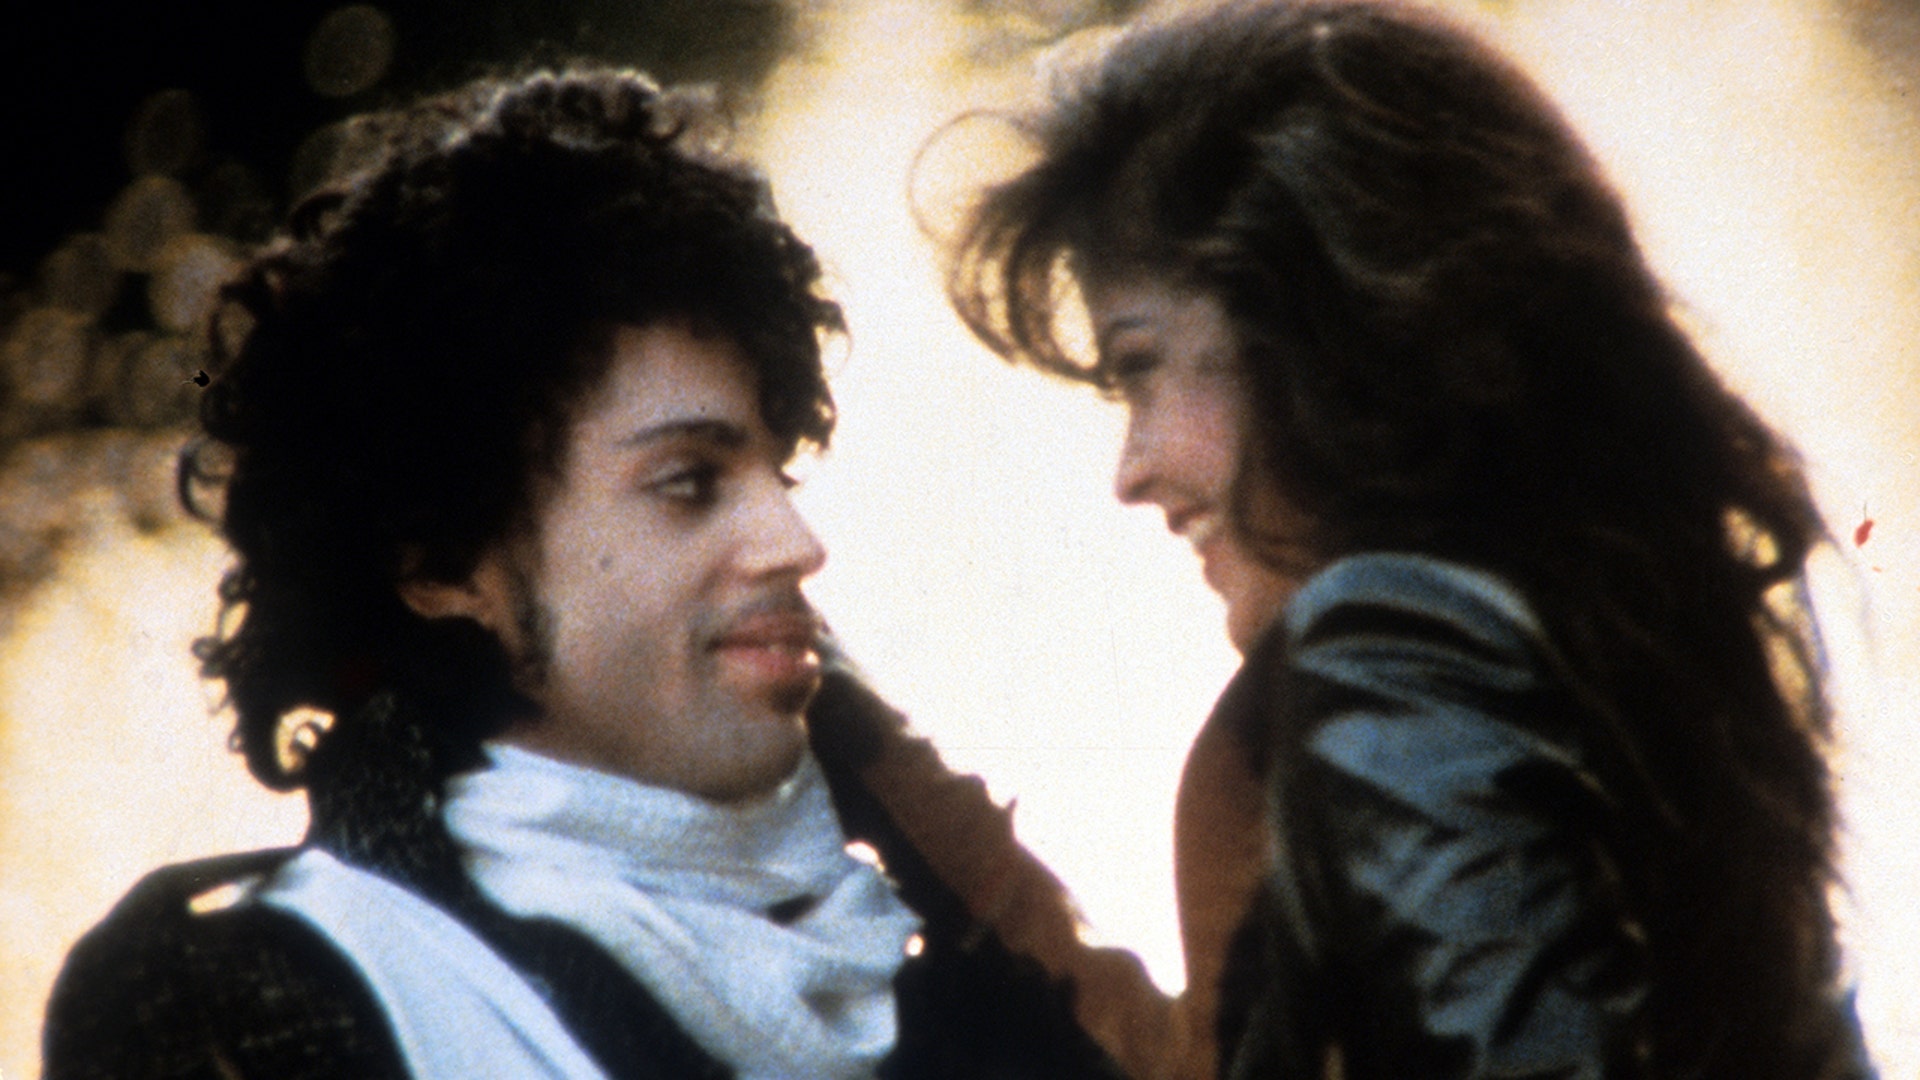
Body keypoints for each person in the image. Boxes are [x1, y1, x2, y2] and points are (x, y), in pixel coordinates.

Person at [41, 68, 1123, 1080]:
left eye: (776, 469)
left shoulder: (920, 966)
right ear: (443, 561)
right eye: (688, 483)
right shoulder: (264, 1001)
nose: (795, 540)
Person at [941, 1, 1879, 1077]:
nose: (1133, 468)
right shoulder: (1614, 669)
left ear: (1309, 333)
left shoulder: (1393, 649)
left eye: (1141, 369)